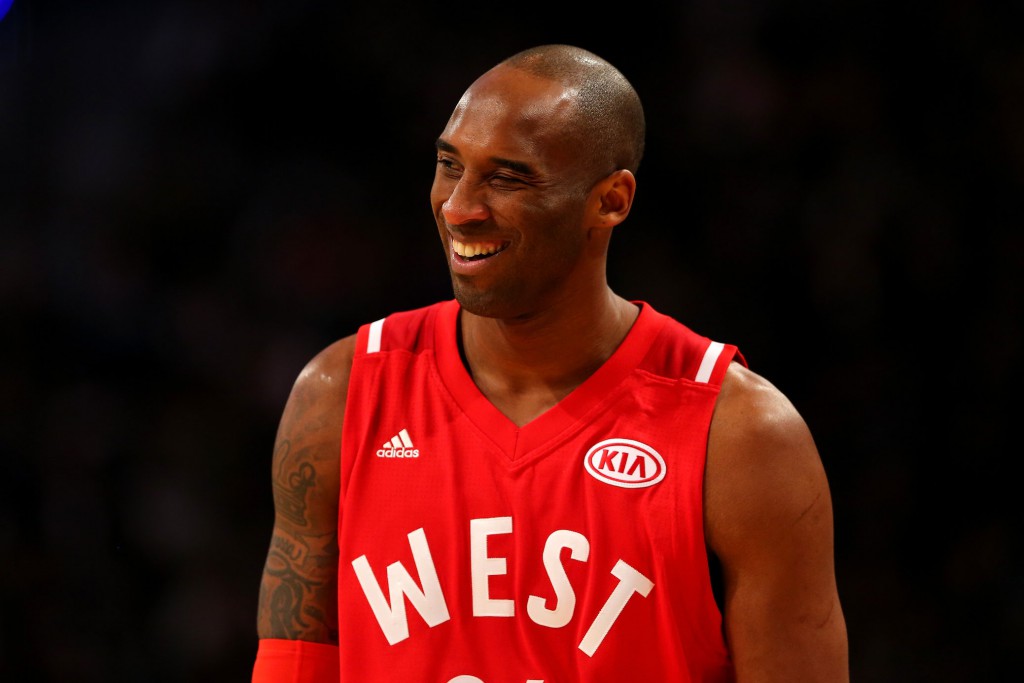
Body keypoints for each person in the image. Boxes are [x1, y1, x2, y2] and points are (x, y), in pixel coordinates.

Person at [251, 44, 848, 683]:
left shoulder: (743, 437)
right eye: (450, 165)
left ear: (611, 201)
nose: (459, 207)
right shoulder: (339, 395)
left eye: (507, 178)